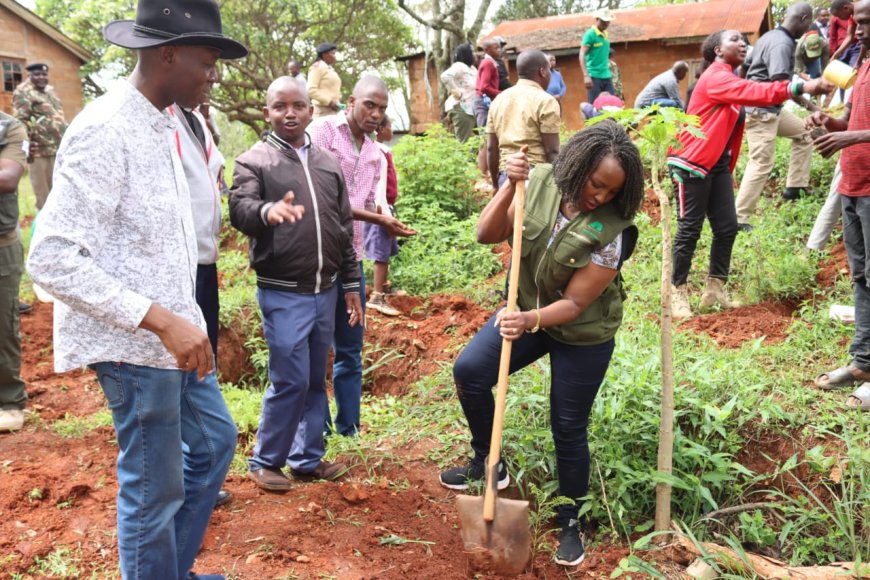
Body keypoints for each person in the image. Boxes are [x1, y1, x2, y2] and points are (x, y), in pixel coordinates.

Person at [26, 0, 247, 577]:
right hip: (134, 345)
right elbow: (50, 259)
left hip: (175, 337)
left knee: (216, 443)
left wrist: (183, 316)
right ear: (168, 55)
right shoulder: (105, 130)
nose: (214, 73)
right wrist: (159, 318)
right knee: (154, 487)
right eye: (207, 60)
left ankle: (168, 569)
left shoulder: (168, 120)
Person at [439, 122, 644, 567]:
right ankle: (486, 462)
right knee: (470, 372)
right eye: (596, 184)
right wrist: (510, 186)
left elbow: (574, 302)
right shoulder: (541, 182)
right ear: (578, 166)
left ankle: (572, 518)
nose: (601, 197)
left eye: (612, 191)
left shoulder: (614, 230)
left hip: (582, 332)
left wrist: (528, 319)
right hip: (526, 311)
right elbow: (486, 234)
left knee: (567, 425)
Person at [230, 77, 358, 490]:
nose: (290, 113)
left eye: (298, 106)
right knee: (289, 378)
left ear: (310, 111)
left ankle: (307, 458)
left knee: (314, 378)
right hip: (282, 290)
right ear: (267, 112)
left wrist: (352, 283)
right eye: (280, 106)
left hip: (327, 289)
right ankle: (266, 460)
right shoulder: (254, 161)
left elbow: (343, 227)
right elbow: (239, 208)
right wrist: (266, 211)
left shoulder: (327, 162)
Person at [667, 29, 830, 319]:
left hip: (715, 164)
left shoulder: (730, 78)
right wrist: (799, 88)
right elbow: (757, 92)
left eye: (744, 40)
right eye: (734, 40)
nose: (742, 43)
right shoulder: (717, 77)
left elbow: (751, 94)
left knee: (727, 227)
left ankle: (715, 289)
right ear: (717, 50)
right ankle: (676, 291)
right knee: (690, 229)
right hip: (692, 162)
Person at [308, 76, 416, 436]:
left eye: (382, 109)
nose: (376, 114)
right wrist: (378, 218)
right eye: (370, 105)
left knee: (350, 349)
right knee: (315, 352)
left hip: (349, 260)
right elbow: (321, 200)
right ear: (351, 101)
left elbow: (368, 204)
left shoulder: (374, 153)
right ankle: (318, 431)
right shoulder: (322, 131)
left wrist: (387, 222)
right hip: (315, 258)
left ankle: (349, 430)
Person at [169, 101, 233, 508]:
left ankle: (195, 471)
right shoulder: (162, 119)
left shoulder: (197, 121)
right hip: (177, 265)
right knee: (176, 368)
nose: (211, 78)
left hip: (203, 263)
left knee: (199, 361)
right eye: (204, 67)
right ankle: (177, 474)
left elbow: (214, 174)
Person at [809, 0, 870, 412]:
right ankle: (864, 362)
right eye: (857, 22)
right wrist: (830, 125)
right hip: (853, 183)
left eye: (867, 22)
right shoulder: (863, 63)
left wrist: (849, 138)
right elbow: (852, 117)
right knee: (862, 276)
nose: (859, 29)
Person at [734, 2, 816, 230]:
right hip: (762, 113)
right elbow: (781, 85)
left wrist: (745, 93)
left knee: (805, 132)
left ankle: (795, 187)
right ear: (804, 19)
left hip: (772, 110)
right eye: (809, 23)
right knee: (761, 163)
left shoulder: (767, 37)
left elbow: (745, 68)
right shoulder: (782, 43)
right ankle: (739, 219)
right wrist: (811, 105)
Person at [486, 50, 560, 191]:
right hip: (536, 177)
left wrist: (496, 185)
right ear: (542, 71)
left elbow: (491, 148)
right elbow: (552, 151)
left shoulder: (498, 100)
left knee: (512, 214)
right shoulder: (546, 101)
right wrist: (560, 187)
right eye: (550, 70)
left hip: (506, 177)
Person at [0, 112, 27, 433]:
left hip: (1, 243)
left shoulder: (9, 127)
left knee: (3, 326)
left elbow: (7, 178)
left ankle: (8, 399)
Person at [12, 63, 67, 210]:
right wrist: (25, 149)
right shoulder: (23, 92)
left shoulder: (50, 92)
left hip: (57, 149)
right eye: (37, 74)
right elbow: (20, 122)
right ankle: (44, 230)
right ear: (29, 76)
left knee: (59, 193)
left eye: (44, 74)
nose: (41, 77)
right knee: (44, 198)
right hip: (39, 153)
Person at [365, 118, 402, 317]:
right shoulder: (376, 151)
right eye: (390, 126)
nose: (392, 130)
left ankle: (384, 286)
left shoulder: (382, 150)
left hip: (385, 207)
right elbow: (378, 185)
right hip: (378, 210)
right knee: (380, 253)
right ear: (379, 129)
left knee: (386, 250)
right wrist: (382, 213)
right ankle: (377, 296)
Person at [440, 43, 478, 142]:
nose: (475, 54)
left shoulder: (472, 69)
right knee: (464, 142)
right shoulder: (459, 66)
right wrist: (455, 91)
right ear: (466, 54)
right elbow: (445, 76)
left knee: (480, 140)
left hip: (472, 109)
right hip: (462, 108)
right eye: (472, 52)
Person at [580, 9, 616, 103]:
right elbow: (582, 54)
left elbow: (601, 52)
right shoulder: (590, 34)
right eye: (603, 21)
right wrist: (586, 76)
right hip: (594, 76)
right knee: (595, 105)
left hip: (606, 75)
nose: (606, 24)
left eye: (608, 22)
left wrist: (608, 62)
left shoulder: (605, 35)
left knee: (612, 104)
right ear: (597, 19)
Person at [308, 42, 341, 118]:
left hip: (332, 111)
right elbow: (311, 90)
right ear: (324, 55)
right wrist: (329, 102)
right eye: (333, 53)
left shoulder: (329, 69)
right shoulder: (317, 67)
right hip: (322, 112)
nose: (334, 56)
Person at [474, 38, 502, 128]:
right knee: (485, 131)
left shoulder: (490, 62)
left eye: (499, 48)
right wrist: (501, 93)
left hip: (486, 100)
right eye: (495, 48)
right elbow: (484, 87)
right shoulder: (488, 63)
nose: (499, 50)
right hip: (483, 101)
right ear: (486, 50)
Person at [830, 0, 861, 66]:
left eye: (840, 15)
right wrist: (835, 55)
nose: (840, 18)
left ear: (845, 8)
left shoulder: (864, 7)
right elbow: (849, 37)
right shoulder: (852, 17)